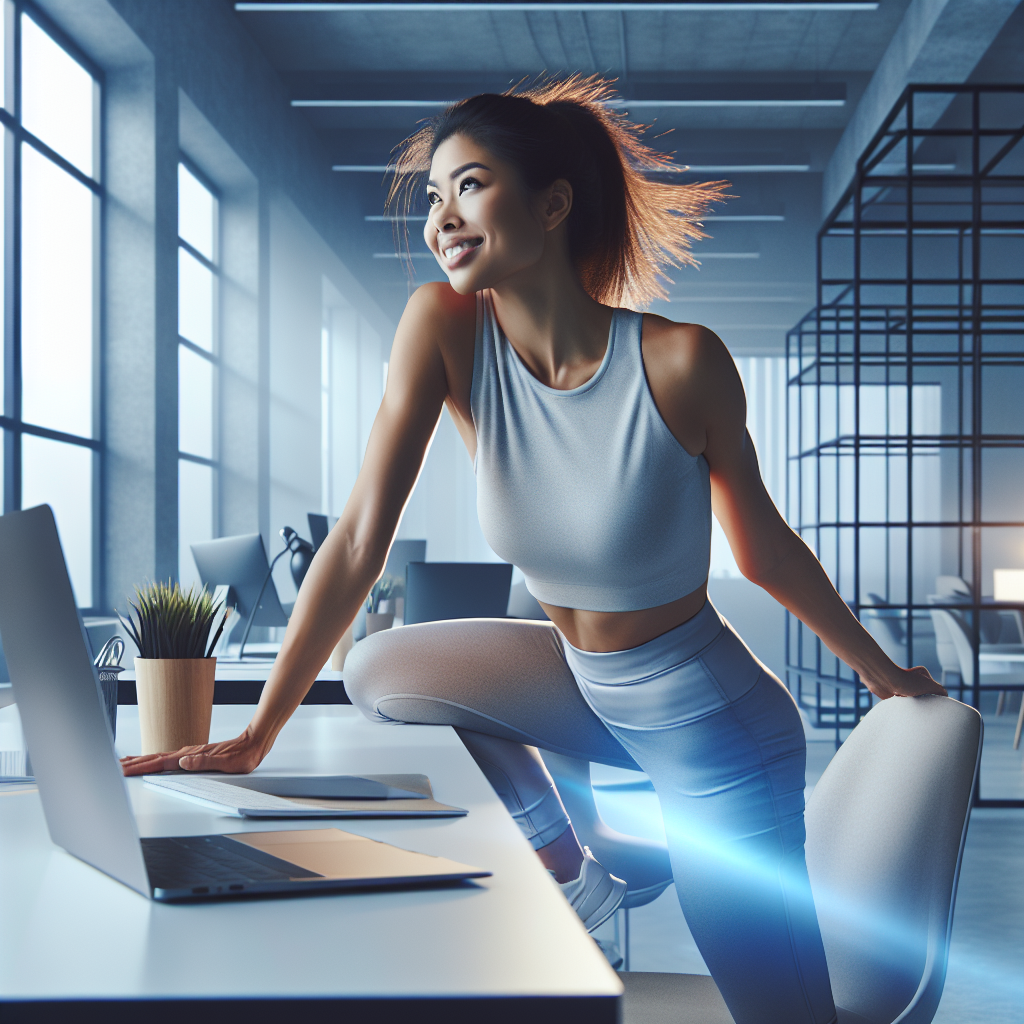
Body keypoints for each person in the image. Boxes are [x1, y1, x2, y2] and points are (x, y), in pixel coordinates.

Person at [122, 76, 945, 1024]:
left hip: (712, 729)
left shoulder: (680, 362)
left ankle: (644, 855)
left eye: (469, 185)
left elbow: (763, 553)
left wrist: (882, 673)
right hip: (582, 687)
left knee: (782, 1015)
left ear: (552, 203)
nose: (442, 218)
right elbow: (355, 538)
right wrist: (256, 736)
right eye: (434, 197)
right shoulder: (445, 328)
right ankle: (582, 861)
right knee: (385, 669)